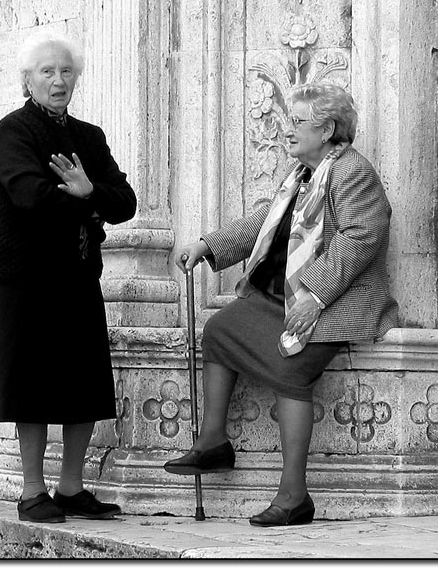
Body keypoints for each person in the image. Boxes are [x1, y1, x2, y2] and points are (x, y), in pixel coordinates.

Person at [165, 82, 399, 526]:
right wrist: (207, 245)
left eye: (297, 121)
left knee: (291, 370)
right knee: (219, 331)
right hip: (278, 296)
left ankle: (294, 496)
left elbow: (362, 237)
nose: (286, 130)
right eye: (287, 120)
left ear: (328, 128)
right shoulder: (302, 174)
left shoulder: (352, 173)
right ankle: (213, 442)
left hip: (331, 302)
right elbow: (265, 221)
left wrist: (313, 294)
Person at [0, 31, 137, 523]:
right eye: (47, 72)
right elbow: (29, 195)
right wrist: (87, 207)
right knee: (29, 382)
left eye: (66, 71)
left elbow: (124, 202)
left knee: (82, 380)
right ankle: (33, 490)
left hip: (75, 275)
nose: (58, 80)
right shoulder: (14, 131)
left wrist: (88, 190)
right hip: (24, 278)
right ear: (27, 80)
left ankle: (71, 488)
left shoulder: (89, 137)